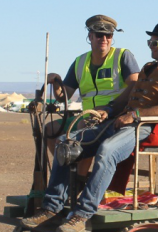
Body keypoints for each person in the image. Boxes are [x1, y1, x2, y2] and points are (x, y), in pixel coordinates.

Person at [24, 22, 158, 232]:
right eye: (149, 42)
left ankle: (82, 214)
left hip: (146, 126)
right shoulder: (149, 68)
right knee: (66, 143)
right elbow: (126, 98)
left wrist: (135, 115)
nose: (150, 46)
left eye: (155, 42)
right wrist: (108, 109)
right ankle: (51, 207)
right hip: (122, 119)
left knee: (107, 151)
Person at [44, 15, 141, 150]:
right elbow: (63, 97)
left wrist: (110, 108)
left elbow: (134, 86)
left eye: (109, 35)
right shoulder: (80, 62)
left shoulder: (123, 56)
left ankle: (80, 171)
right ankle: (64, 167)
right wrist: (56, 82)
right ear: (90, 36)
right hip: (87, 114)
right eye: (100, 35)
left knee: (82, 129)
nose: (104, 39)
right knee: (50, 129)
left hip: (112, 115)